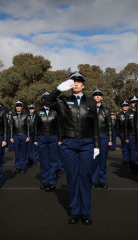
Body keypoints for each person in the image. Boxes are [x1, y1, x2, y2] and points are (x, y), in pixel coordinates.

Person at [44, 71, 100, 225]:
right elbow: (47, 102)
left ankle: (86, 212)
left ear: (83, 85)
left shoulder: (91, 103)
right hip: (69, 144)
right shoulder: (62, 101)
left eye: (79, 81)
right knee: (72, 178)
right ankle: (75, 211)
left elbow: (95, 126)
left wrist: (96, 146)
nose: (75, 83)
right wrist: (58, 89)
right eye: (73, 81)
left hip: (87, 143)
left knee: (85, 177)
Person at [34, 93, 60, 189]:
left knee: (53, 160)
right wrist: (36, 139)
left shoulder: (55, 112)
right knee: (44, 160)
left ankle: (52, 181)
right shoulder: (38, 112)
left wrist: (60, 139)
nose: (46, 101)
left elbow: (59, 127)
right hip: (42, 137)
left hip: (53, 137)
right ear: (42, 100)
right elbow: (35, 126)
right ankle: (45, 181)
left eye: (48, 99)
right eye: (45, 99)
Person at [91, 89, 112, 188]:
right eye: (95, 95)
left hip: (104, 137)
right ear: (93, 97)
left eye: (99, 95)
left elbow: (110, 126)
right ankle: (94, 181)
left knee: (103, 160)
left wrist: (110, 139)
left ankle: (102, 180)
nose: (97, 96)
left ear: (102, 97)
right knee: (94, 160)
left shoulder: (106, 110)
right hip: (92, 138)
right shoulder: (89, 109)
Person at [10, 101, 30, 174]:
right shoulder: (13, 115)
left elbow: (28, 126)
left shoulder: (26, 115)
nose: (18, 107)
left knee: (24, 152)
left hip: (24, 135)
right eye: (17, 106)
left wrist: (28, 136)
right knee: (17, 152)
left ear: (22, 107)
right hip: (15, 136)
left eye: (19, 106)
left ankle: (23, 167)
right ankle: (17, 167)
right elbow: (11, 127)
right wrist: (11, 137)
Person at [125, 96, 138, 174]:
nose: (134, 104)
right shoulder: (128, 113)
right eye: (133, 102)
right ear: (130, 104)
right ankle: (132, 167)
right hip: (131, 135)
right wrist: (126, 136)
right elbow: (125, 126)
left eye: (136, 102)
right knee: (132, 151)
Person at [116, 101, 129, 165]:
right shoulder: (119, 115)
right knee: (124, 146)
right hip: (122, 132)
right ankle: (126, 159)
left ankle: (132, 159)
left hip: (130, 133)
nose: (125, 107)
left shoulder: (132, 113)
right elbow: (117, 125)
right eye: (124, 106)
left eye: (126, 105)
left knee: (131, 146)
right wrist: (118, 133)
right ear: (122, 107)